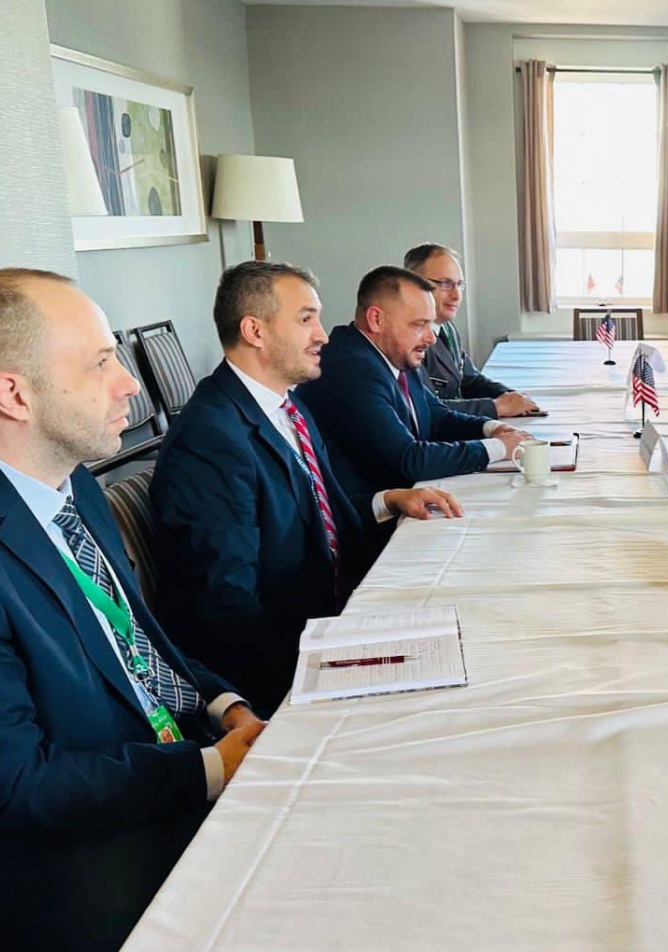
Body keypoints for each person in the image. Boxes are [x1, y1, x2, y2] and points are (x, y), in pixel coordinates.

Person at [0, 268, 266, 952]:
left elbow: (136, 644)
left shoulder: (70, 478)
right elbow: (9, 787)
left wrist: (223, 705)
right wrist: (205, 769)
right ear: (12, 394)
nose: (130, 383)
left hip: (162, 772)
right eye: (101, 362)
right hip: (64, 867)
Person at [150, 261, 461, 712]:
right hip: (285, 667)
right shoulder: (210, 438)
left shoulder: (288, 408)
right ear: (255, 331)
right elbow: (226, 606)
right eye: (305, 319)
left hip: (335, 622)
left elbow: (315, 513)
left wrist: (386, 500)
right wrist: (326, 667)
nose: (323, 336)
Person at [296, 265, 530, 496]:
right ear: (376, 319)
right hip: (368, 512)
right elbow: (409, 460)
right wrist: (499, 447)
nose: (430, 338)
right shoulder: (351, 368)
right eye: (419, 325)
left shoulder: (396, 352)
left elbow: (437, 417)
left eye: (430, 324)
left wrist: (491, 428)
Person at [405, 243, 539, 417]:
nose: (456, 295)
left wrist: (511, 396)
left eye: (459, 284)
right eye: (445, 283)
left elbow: (469, 380)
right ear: (414, 284)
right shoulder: (407, 339)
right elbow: (424, 409)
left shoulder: (446, 328)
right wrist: (496, 407)